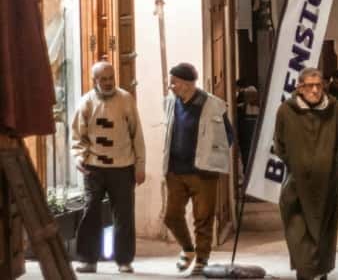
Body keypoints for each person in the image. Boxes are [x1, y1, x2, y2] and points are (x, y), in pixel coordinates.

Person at [275, 67, 338, 280]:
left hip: (327, 186)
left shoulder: (336, 110)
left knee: (323, 237)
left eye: (319, 85)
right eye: (310, 85)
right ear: (300, 88)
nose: (315, 90)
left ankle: (320, 273)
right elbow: (279, 143)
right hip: (297, 187)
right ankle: (307, 272)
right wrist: (294, 162)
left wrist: (334, 158)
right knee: (299, 236)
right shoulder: (286, 111)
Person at [71, 61, 146, 274]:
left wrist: (140, 165)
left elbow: (136, 135)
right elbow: (77, 136)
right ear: (94, 80)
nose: (107, 82)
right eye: (102, 79)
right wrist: (78, 157)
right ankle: (87, 259)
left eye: (110, 78)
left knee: (124, 215)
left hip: (122, 166)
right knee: (91, 211)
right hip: (94, 166)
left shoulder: (125, 100)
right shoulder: (86, 102)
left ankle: (124, 260)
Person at [161, 63, 234, 275]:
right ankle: (187, 249)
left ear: (186, 84)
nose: (171, 86)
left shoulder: (213, 105)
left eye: (173, 82)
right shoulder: (170, 103)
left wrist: (213, 157)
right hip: (175, 170)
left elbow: (227, 136)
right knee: (171, 216)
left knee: (203, 218)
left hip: (203, 173)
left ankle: (202, 259)